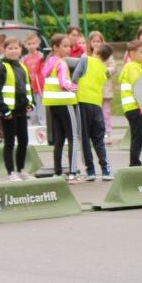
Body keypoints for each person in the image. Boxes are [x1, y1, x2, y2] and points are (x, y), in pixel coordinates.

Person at [0, 37, 32, 181]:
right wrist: (4, 110)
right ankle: (11, 172)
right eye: (10, 48)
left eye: (16, 48)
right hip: (8, 112)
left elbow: (27, 87)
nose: (14, 51)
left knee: (24, 141)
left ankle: (21, 170)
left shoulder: (22, 67)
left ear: (21, 49)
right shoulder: (2, 67)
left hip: (21, 110)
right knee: (9, 142)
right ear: (5, 50)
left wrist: (30, 103)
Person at [42, 34, 81, 183]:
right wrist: (75, 87)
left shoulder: (49, 62)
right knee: (72, 138)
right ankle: (72, 173)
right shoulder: (62, 63)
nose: (68, 49)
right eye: (65, 46)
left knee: (58, 139)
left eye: (69, 46)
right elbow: (63, 83)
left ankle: (57, 172)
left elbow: (44, 76)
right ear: (55, 47)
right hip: (66, 103)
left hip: (52, 104)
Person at [76, 42, 113, 181]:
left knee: (85, 138)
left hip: (82, 102)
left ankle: (90, 171)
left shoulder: (85, 59)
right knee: (98, 139)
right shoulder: (103, 69)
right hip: (97, 105)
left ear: (96, 50)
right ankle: (105, 170)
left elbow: (76, 75)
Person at [119, 40, 142, 167]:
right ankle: (134, 162)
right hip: (135, 107)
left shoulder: (138, 66)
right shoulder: (132, 67)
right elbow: (139, 86)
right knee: (137, 137)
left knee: (138, 136)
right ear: (132, 53)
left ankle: (135, 161)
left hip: (133, 107)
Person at [22, 32, 45, 127]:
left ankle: (43, 129)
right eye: (29, 44)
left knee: (41, 110)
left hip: (40, 88)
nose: (31, 46)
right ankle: (34, 129)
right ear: (25, 45)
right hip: (30, 89)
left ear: (38, 44)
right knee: (32, 111)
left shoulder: (41, 56)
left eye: (33, 43)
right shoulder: (24, 58)